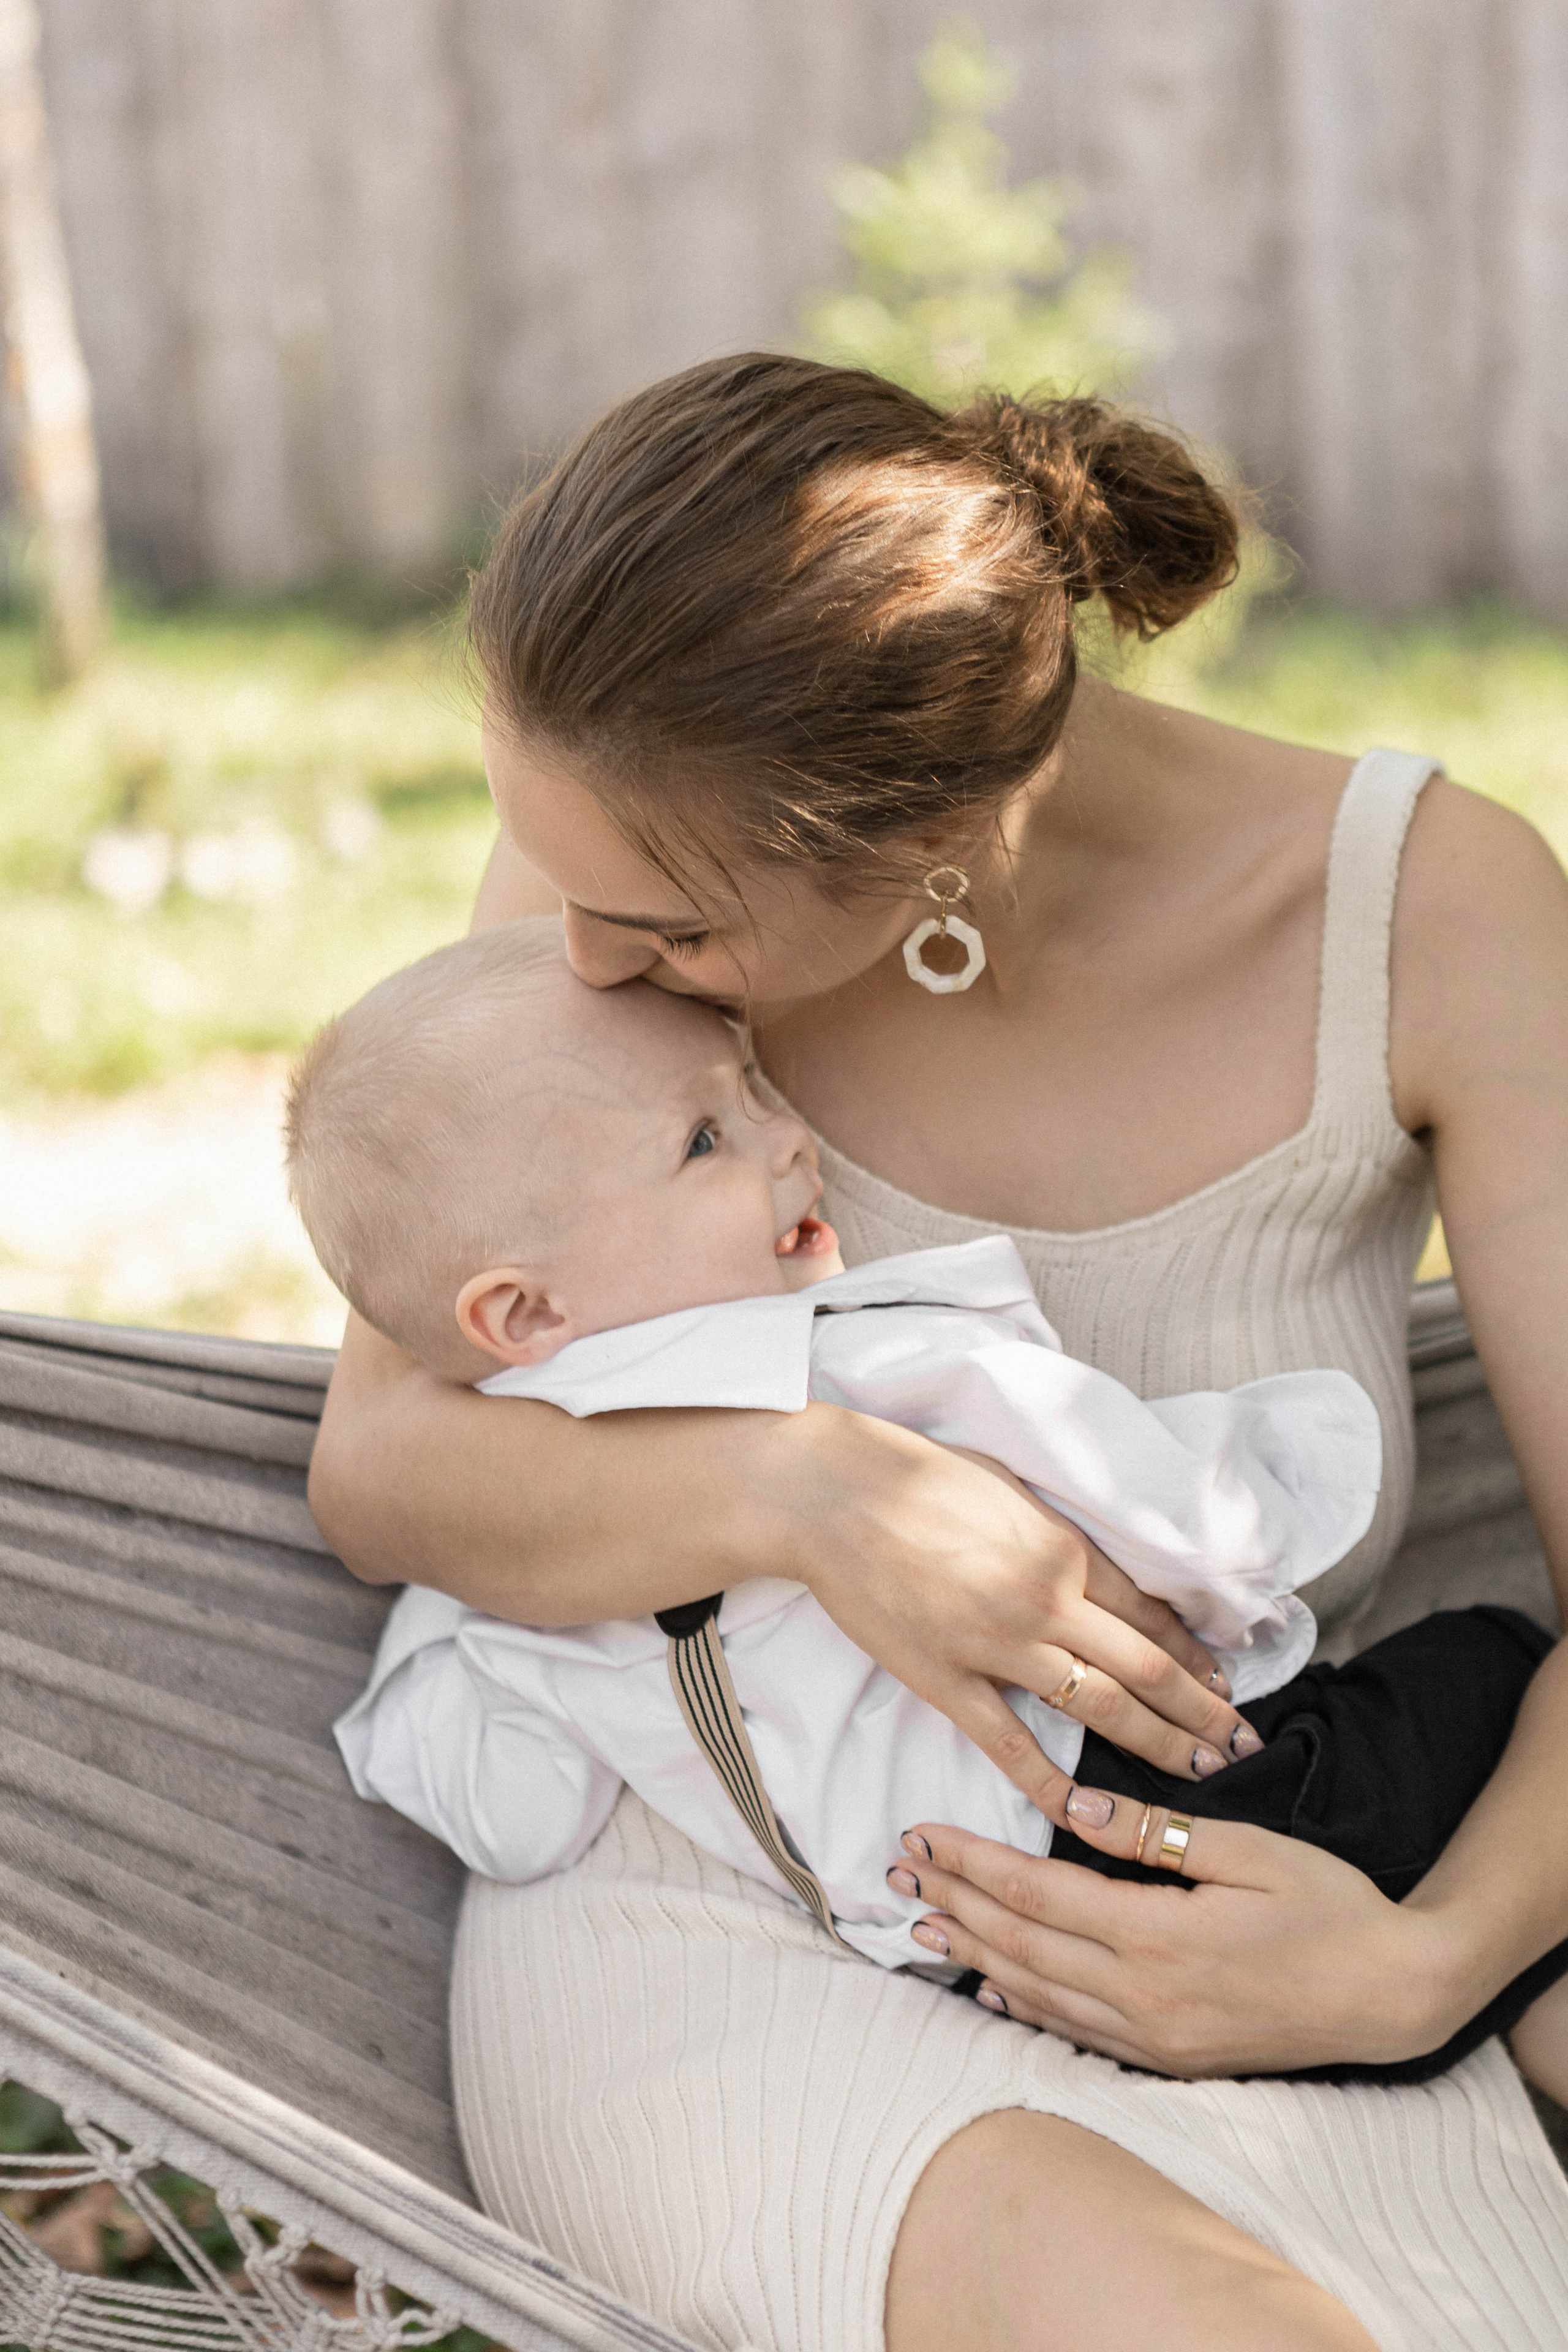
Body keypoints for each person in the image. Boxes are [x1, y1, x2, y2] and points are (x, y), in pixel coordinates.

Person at [307, 356, 1568, 2351]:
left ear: (940, 857)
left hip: (1257, 1876)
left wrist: (1418, 1972)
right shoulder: (627, 853)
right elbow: (383, 1468)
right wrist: (815, 1491)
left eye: (663, 942)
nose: (579, 970)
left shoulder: (1442, 915)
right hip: (731, 1898)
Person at [295, 921, 1564, 2086]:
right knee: (1491, 1665)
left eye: (754, 1094)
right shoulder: (846, 1364)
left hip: (1001, 1950)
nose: (787, 1140)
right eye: (703, 1142)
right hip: (1203, 1807)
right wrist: (1260, 1506)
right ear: (521, 1312)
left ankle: (1482, 2010)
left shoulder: (505, 1563)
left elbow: (518, 1817)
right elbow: (1156, 1522)